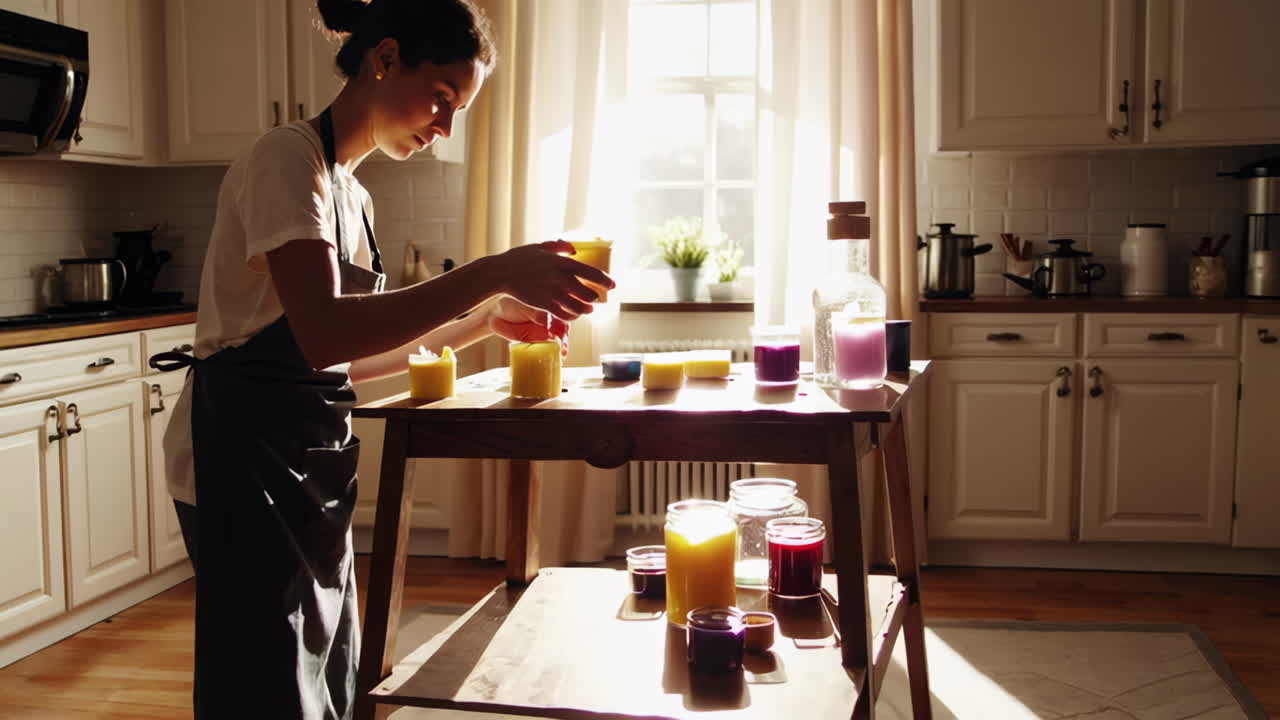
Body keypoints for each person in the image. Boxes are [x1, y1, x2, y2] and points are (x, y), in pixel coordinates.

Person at [155, 0, 613, 717]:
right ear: (387, 58)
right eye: (442, 98)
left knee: (328, 668)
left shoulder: (354, 194)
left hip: (310, 459)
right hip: (241, 462)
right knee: (267, 684)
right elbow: (324, 334)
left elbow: (342, 362)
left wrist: (484, 320)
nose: (445, 125)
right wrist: (490, 272)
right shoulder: (286, 158)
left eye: (459, 109)